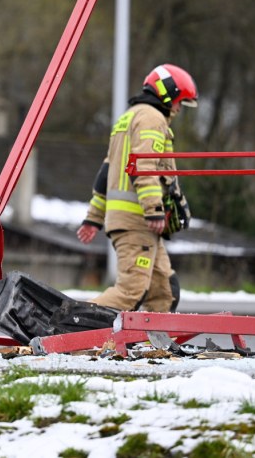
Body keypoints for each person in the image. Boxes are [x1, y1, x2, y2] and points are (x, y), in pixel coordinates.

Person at [76, 64, 198, 313]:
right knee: (130, 293)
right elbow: (146, 166)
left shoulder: (129, 117)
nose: (177, 109)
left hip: (133, 221)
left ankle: (153, 343)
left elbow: (106, 173)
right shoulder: (152, 118)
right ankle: (67, 322)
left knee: (163, 291)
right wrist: (154, 210)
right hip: (138, 221)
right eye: (179, 102)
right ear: (167, 93)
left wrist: (94, 218)